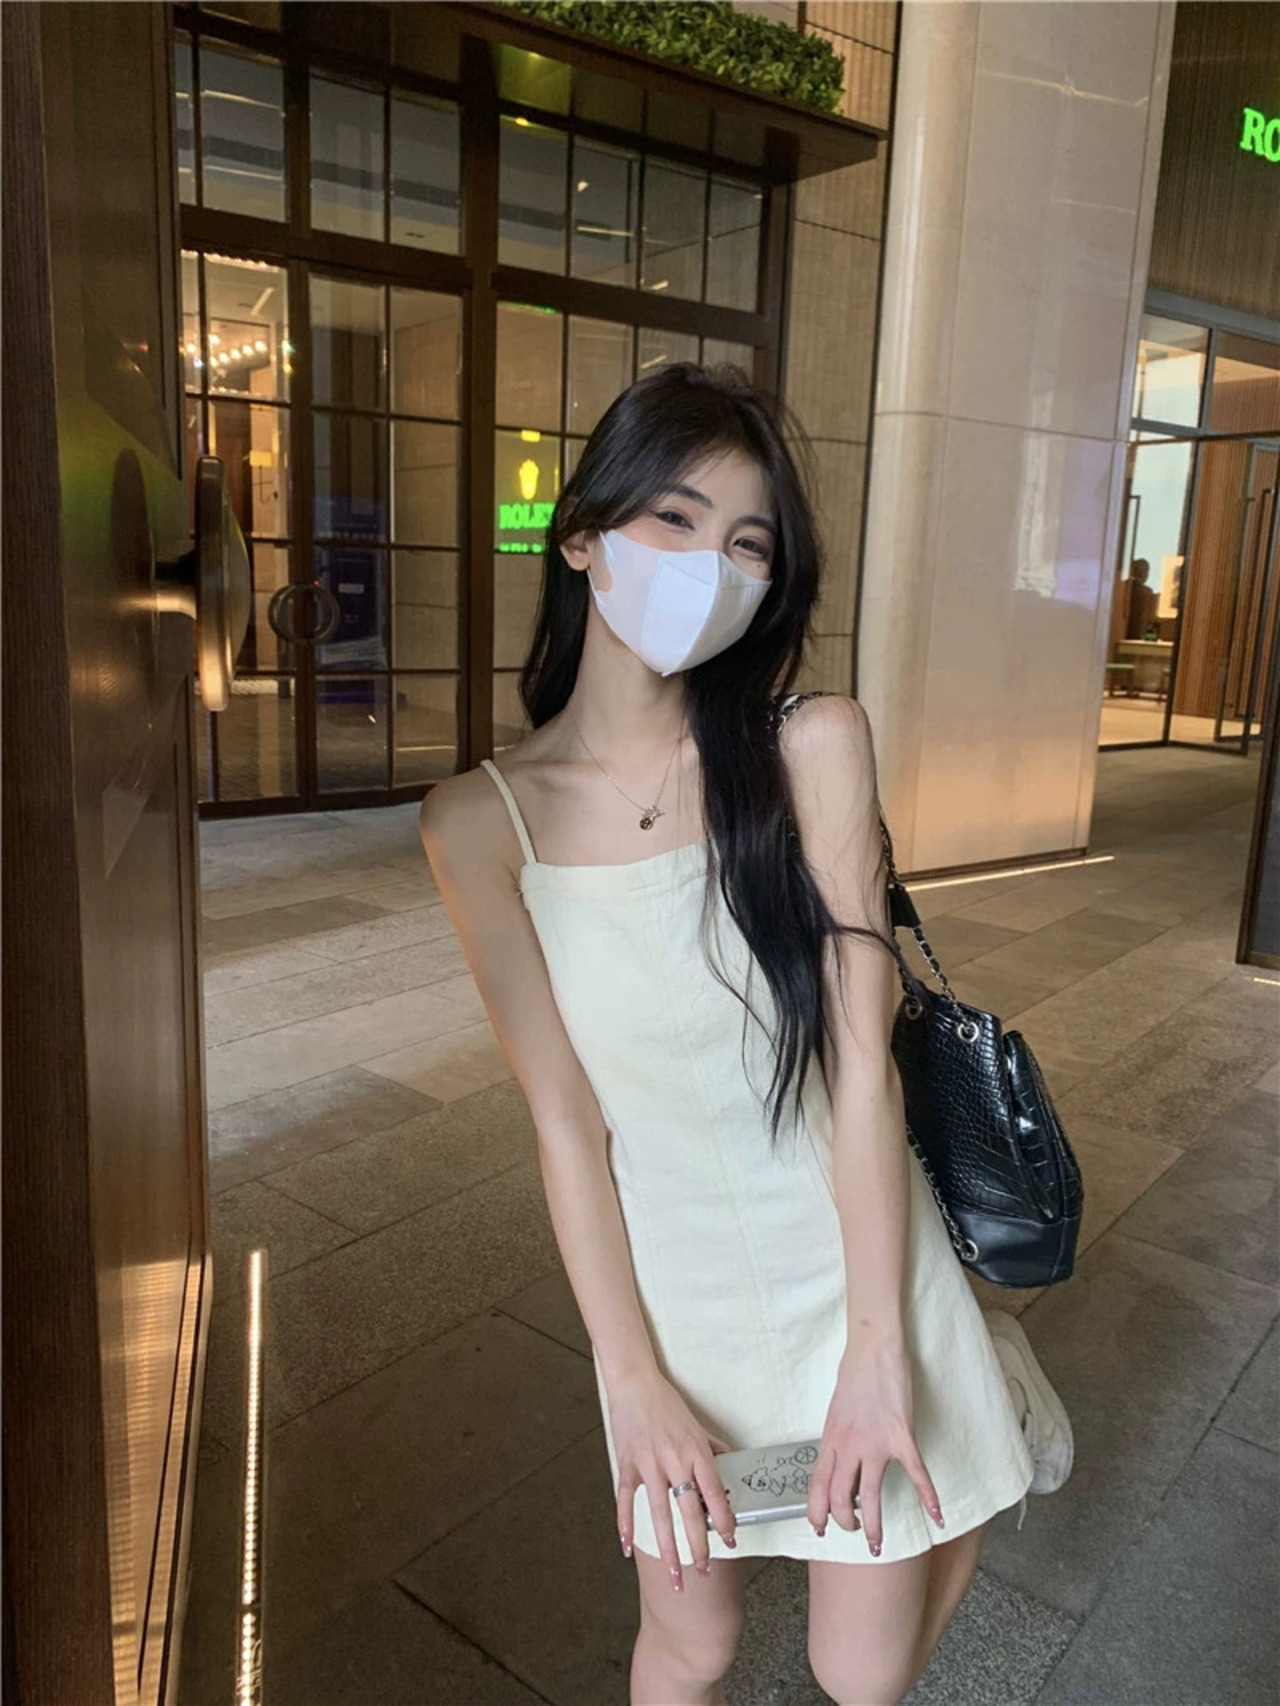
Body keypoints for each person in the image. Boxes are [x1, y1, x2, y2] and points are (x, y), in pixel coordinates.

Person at [418, 363, 1073, 1706]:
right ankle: (980, 1399)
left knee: (857, 1672)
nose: (709, 567)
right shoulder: (480, 823)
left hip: (853, 1263)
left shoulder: (811, 748)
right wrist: (630, 1378)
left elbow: (860, 1071)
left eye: (748, 544)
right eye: (675, 519)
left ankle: (972, 1395)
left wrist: (882, 1353)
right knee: (693, 1641)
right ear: (582, 535)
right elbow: (566, 1122)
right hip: (672, 1303)